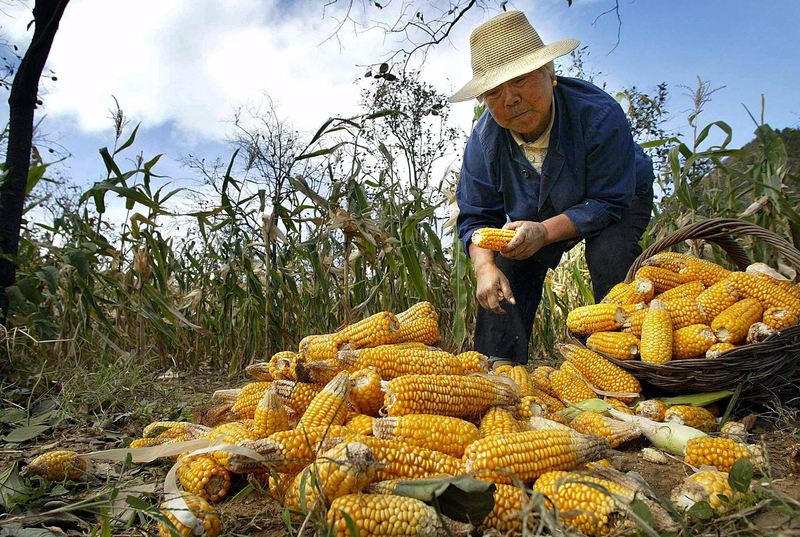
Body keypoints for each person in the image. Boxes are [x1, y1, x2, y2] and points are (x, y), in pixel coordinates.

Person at [450, 11, 655, 369]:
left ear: (551, 74)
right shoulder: (484, 142)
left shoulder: (599, 115)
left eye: (520, 81)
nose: (510, 99)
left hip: (616, 194)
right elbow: (478, 216)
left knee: (611, 250)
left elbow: (608, 201)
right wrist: (484, 267)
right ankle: (500, 363)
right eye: (494, 92)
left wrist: (545, 231)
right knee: (509, 258)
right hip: (538, 206)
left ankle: (628, 359)